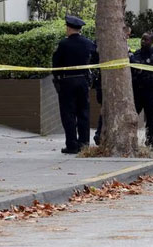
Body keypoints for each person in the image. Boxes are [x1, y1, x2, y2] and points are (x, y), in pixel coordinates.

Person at [51, 15, 97, 154]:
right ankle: (84, 144)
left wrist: (58, 78)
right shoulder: (88, 43)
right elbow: (95, 58)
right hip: (83, 81)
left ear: (69, 28)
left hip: (67, 82)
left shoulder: (63, 44)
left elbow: (56, 63)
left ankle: (71, 145)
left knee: (68, 113)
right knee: (83, 112)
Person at [93, 25, 132, 145]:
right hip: (106, 82)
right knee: (105, 108)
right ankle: (100, 133)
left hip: (113, 83)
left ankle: (101, 133)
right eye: (128, 35)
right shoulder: (106, 45)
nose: (128, 37)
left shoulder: (123, 46)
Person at [130, 32, 153, 150]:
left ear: (151, 42)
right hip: (137, 92)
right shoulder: (135, 55)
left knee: (151, 119)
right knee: (132, 116)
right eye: (142, 39)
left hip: (151, 92)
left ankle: (150, 140)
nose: (143, 42)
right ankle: (131, 139)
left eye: (146, 40)